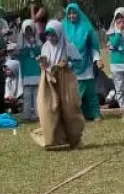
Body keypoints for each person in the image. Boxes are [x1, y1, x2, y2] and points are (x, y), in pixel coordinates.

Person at [30, 20, 84, 150]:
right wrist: (43, 65)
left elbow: (79, 63)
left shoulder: (68, 47)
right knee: (49, 108)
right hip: (49, 80)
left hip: (65, 80)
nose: (51, 38)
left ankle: (73, 138)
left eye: (53, 35)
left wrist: (67, 65)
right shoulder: (45, 47)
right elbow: (44, 64)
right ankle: (53, 139)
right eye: (48, 35)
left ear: (59, 34)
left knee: (69, 109)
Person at [63, 3, 103, 121]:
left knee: (90, 91)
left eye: (74, 13)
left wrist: (97, 60)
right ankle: (77, 115)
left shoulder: (87, 27)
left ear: (79, 13)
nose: (72, 16)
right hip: (70, 66)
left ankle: (95, 114)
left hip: (86, 64)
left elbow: (93, 47)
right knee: (75, 93)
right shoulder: (63, 27)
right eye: (69, 13)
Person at [16, 20, 43, 121]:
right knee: (27, 95)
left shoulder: (38, 43)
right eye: (26, 31)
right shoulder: (21, 44)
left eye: (30, 30)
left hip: (36, 70)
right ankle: (27, 115)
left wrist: (33, 45)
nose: (28, 33)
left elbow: (40, 53)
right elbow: (19, 55)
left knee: (37, 94)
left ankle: (37, 114)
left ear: (33, 31)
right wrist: (26, 48)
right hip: (26, 71)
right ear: (23, 31)